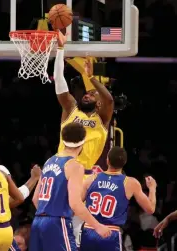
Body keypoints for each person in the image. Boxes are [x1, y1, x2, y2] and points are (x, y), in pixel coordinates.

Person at [54, 29, 115, 245]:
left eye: (93, 94)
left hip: (83, 174)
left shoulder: (102, 118)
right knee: (55, 223)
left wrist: (90, 78)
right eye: (87, 92)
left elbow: (108, 101)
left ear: (97, 103)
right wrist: (60, 50)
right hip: (60, 169)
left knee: (75, 230)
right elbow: (59, 82)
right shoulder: (71, 108)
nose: (88, 94)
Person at [29, 122, 112, 251]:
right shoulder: (75, 166)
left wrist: (47, 214)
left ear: (63, 139)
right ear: (83, 142)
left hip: (37, 222)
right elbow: (75, 204)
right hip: (57, 222)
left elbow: (35, 199)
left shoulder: (49, 161)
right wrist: (98, 226)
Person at [80, 146, 157, 251]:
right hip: (110, 232)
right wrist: (152, 188)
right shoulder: (130, 183)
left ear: (107, 160)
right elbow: (150, 209)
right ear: (124, 163)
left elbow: (75, 204)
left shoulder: (91, 178)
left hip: (89, 230)